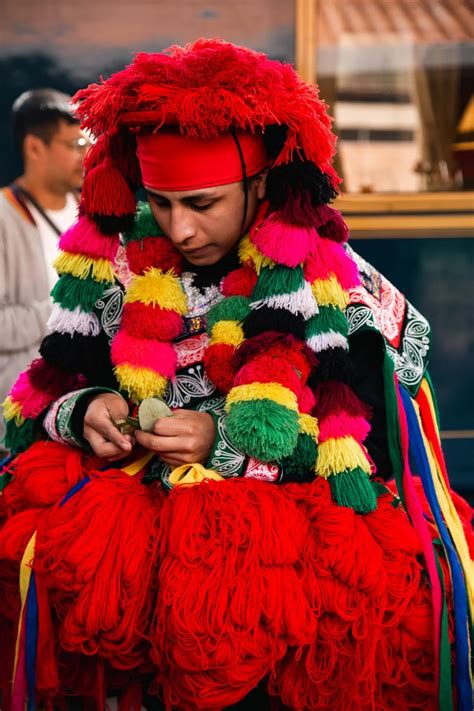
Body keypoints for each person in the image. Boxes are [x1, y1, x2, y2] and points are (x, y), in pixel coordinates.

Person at [0, 40, 472, 711]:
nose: (182, 228)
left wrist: (220, 440)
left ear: (259, 184)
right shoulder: (127, 274)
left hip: (284, 591)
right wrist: (86, 408)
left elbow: (370, 455)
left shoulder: (336, 291)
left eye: (202, 202)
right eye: (161, 204)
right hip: (135, 587)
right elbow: (39, 404)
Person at [0, 88, 89, 447]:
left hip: (81, 420)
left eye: (88, 142)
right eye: (76, 144)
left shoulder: (93, 213)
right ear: (35, 147)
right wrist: (72, 311)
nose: (87, 155)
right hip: (20, 425)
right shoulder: (4, 217)